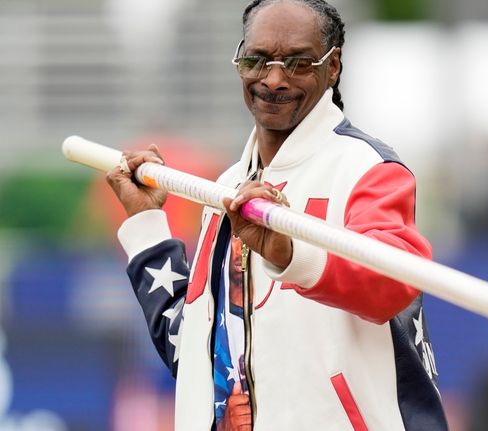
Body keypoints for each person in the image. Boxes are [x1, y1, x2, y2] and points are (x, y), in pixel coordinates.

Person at [105, 0, 448, 429]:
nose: (273, 79)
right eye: (257, 60)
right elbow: (196, 355)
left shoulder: (367, 168)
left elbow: (395, 282)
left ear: (333, 66)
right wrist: (147, 228)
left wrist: (292, 255)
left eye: (298, 63)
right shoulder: (226, 187)